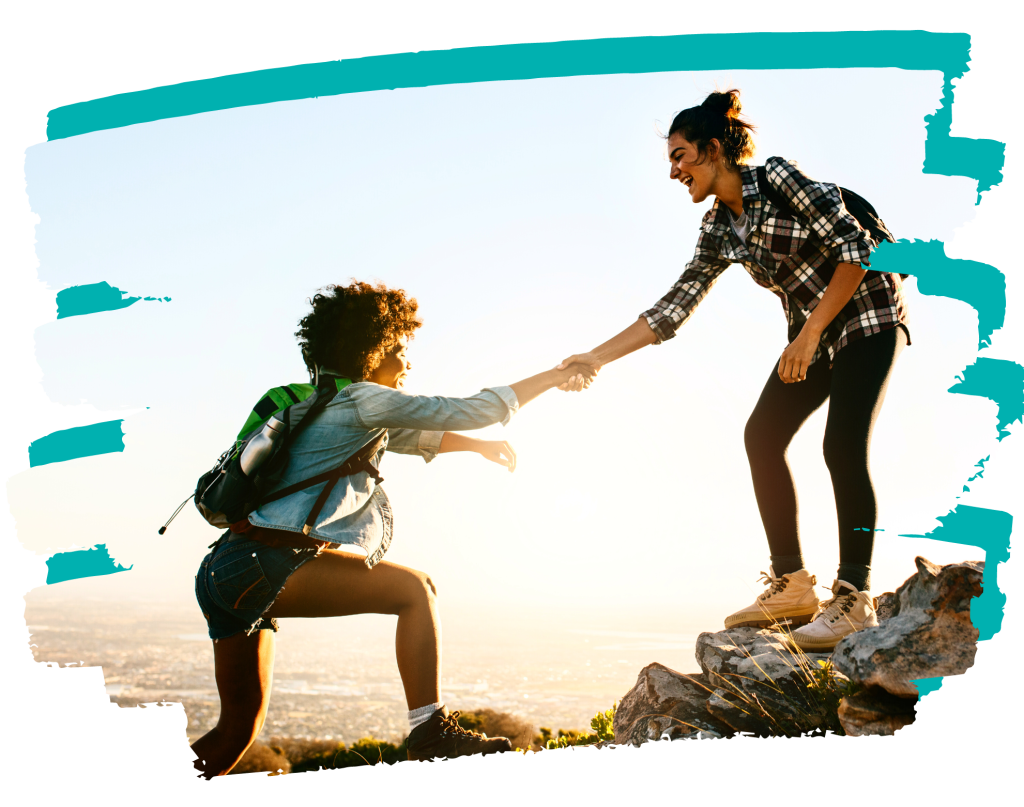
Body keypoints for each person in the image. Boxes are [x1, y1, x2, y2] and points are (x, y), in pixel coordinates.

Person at [189, 280, 594, 778]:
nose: (406, 363)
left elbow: (418, 435)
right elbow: (476, 407)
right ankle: (431, 731)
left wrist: (477, 448)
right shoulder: (365, 400)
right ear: (373, 350)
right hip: (267, 564)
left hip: (224, 571)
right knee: (415, 589)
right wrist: (554, 376)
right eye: (400, 350)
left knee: (236, 734)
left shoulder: (325, 404)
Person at [557, 89, 910, 652]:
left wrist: (812, 330)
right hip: (812, 335)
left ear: (713, 150)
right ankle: (792, 585)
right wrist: (594, 356)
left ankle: (853, 597)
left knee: (841, 446)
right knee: (762, 435)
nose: (673, 171)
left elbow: (856, 248)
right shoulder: (720, 228)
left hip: (866, 314)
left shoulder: (777, 179)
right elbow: (673, 308)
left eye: (679, 156)